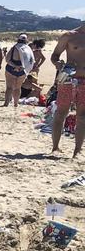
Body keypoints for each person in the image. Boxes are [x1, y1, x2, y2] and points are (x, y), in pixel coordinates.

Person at [50, 22, 85, 157]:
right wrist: (57, 63)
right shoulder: (69, 36)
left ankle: (77, 150)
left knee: (82, 116)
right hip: (68, 79)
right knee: (61, 113)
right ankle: (55, 147)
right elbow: (55, 55)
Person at [3, 34, 35, 108]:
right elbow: (31, 61)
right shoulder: (28, 49)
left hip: (12, 68)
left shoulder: (14, 48)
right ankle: (16, 104)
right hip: (23, 70)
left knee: (9, 87)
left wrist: (15, 66)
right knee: (18, 87)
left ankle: (6, 103)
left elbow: (8, 60)